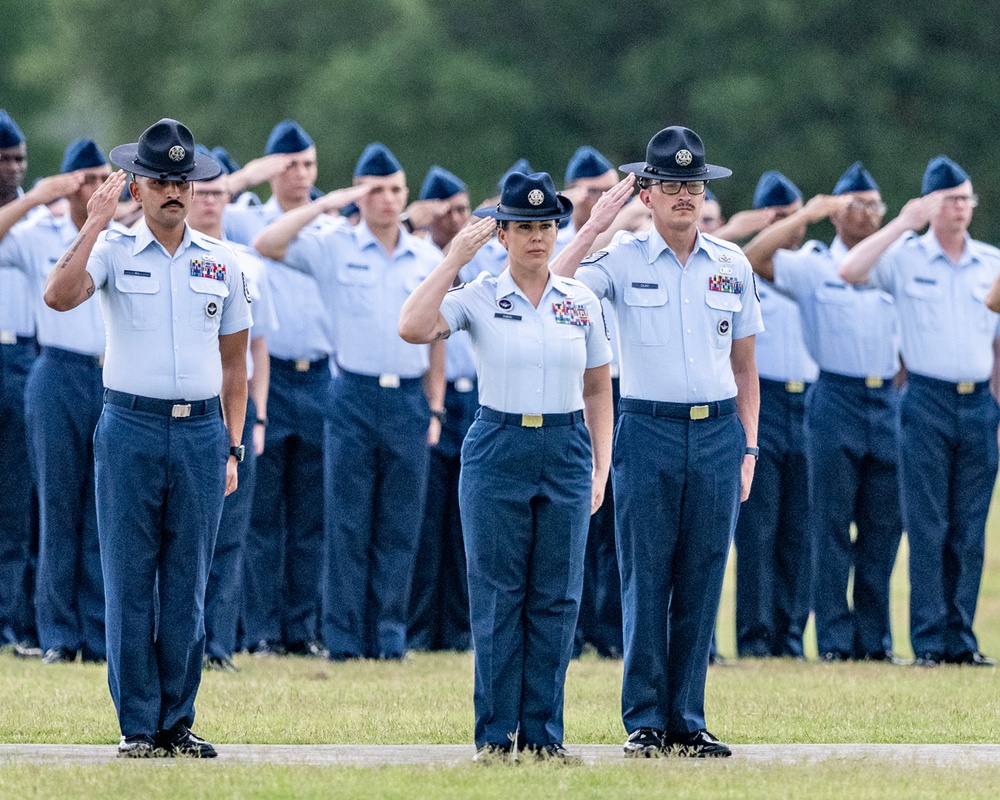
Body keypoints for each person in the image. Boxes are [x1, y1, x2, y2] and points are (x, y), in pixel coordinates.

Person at [44, 118, 252, 757]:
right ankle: (139, 725)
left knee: (189, 582)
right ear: (136, 186)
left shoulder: (224, 263)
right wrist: (93, 221)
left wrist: (233, 446)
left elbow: (235, 365)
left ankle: (176, 721)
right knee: (130, 580)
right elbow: (58, 296)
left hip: (200, 433)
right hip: (130, 426)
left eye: (182, 181)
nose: (173, 192)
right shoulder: (110, 250)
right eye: (160, 180)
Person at [552, 126, 762, 757]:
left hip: (719, 429)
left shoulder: (732, 263)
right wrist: (593, 226)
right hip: (647, 428)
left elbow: (747, 366)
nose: (683, 196)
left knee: (703, 576)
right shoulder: (621, 258)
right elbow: (550, 287)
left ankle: (687, 719)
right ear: (646, 193)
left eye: (692, 185)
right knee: (646, 577)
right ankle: (644, 718)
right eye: (669, 185)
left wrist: (749, 446)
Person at [399, 171, 613, 762]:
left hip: (567, 443)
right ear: (502, 234)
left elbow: (598, 389)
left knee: (557, 596)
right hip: (499, 443)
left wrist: (601, 465)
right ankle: (496, 735)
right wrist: (451, 260)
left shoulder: (580, 301)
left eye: (546, 226)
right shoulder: (481, 295)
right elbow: (413, 326)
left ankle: (544, 733)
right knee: (498, 594)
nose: (538, 238)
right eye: (524, 227)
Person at [254, 142, 444, 661]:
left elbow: (438, 337)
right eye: (375, 190)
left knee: (400, 524)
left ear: (407, 196)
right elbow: (267, 242)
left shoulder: (427, 257)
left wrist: (435, 405)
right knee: (347, 521)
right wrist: (324, 204)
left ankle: (388, 636)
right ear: (360, 196)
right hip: (351, 395)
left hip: (407, 398)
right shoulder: (334, 244)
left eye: (395, 190)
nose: (386, 199)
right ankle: (342, 638)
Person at [839, 156, 999, 668]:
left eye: (965, 198)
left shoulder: (990, 262)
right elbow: (850, 269)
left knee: (970, 530)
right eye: (949, 198)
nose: (960, 207)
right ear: (930, 205)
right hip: (925, 398)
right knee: (928, 526)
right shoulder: (907, 256)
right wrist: (903, 222)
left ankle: (961, 637)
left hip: (978, 401)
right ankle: (929, 639)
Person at [743, 162, 905, 663]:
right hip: (834, 394)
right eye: (857, 205)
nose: (869, 215)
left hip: (887, 399)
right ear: (836, 213)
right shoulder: (812, 263)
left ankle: (874, 640)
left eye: (876, 205)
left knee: (883, 528)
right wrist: (806, 215)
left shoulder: (895, 261)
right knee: (829, 526)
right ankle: (834, 641)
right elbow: (752, 257)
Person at [224, 120, 336, 657]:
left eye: (309, 165)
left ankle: (303, 627)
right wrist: (248, 176)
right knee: (263, 514)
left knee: (311, 515)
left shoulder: (331, 226)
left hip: (318, 376)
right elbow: (212, 200)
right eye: (291, 165)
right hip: (269, 378)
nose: (301, 175)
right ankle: (263, 627)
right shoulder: (247, 222)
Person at [0, 139, 112, 665]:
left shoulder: (119, 233)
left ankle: (95, 631)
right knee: (58, 506)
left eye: (100, 178)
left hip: (109, 375)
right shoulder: (38, 231)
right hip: (58, 370)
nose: (92, 189)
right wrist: (34, 198)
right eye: (83, 179)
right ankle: (58, 635)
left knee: (100, 509)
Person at [187, 147, 278, 671]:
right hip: (187, 406)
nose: (214, 203)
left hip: (234, 412)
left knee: (231, 536)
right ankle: (184, 642)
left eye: (224, 194)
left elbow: (256, 349)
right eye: (208, 192)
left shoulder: (247, 263)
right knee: (184, 540)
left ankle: (218, 645)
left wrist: (257, 417)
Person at [732, 171, 817, 659]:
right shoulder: (746, 265)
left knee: (797, 528)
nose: (793, 226)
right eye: (781, 218)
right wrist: (787, 220)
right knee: (759, 528)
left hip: (806, 398)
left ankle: (790, 634)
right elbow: (753, 255)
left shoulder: (809, 266)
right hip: (763, 400)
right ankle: (755, 636)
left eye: (796, 214)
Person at [407, 165, 475, 653]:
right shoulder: (426, 261)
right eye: (450, 209)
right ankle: (421, 627)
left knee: (462, 518)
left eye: (464, 208)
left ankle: (457, 627)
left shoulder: (480, 263)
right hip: (435, 394)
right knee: (427, 520)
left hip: (473, 395)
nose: (460, 218)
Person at [0, 109, 38, 651]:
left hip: (25, 359)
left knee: (17, 504)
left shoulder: (40, 220)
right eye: (4, 159)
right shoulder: (30, 211)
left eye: (20, 159)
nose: (13, 170)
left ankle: (12, 622)